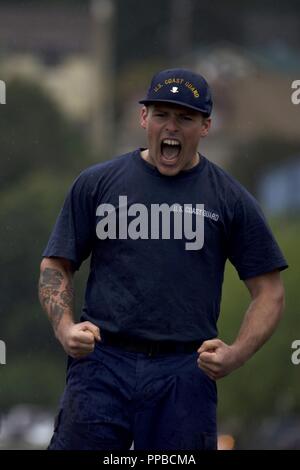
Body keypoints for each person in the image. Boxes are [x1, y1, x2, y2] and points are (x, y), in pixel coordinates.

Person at [39, 68, 288, 450]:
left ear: (206, 126)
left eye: (185, 118)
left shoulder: (229, 198)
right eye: (161, 115)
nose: (171, 128)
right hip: (102, 364)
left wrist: (235, 355)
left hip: (185, 372)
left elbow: (269, 290)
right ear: (144, 119)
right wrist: (65, 329)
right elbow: (56, 265)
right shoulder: (96, 184)